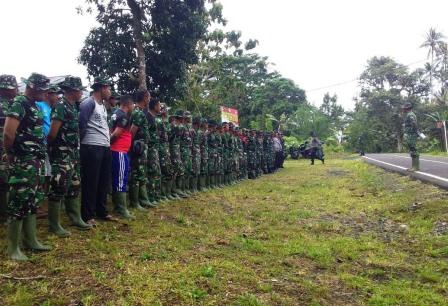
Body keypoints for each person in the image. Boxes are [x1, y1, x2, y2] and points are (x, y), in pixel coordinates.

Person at [4, 73, 52, 261]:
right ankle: (13, 248)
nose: (45, 93)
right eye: (42, 89)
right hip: (23, 161)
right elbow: (8, 133)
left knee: (32, 200)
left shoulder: (34, 105)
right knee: (18, 201)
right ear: (32, 87)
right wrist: (11, 154)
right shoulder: (19, 103)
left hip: (36, 161)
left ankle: (31, 240)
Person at [48, 76, 91, 237]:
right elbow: (52, 133)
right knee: (58, 187)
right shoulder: (60, 106)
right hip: (62, 154)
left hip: (73, 154)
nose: (81, 92)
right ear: (72, 91)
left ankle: (75, 218)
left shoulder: (72, 106)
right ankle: (54, 224)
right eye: (79, 89)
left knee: (74, 186)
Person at [79, 76, 115, 226]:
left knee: (103, 181)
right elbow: (81, 124)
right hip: (92, 147)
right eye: (108, 88)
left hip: (104, 147)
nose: (110, 91)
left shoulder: (102, 106)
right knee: (91, 182)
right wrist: (82, 145)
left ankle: (101, 211)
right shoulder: (89, 103)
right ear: (101, 88)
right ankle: (87, 215)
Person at [109, 95, 134, 219]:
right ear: (128, 104)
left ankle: (117, 206)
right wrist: (109, 143)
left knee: (117, 179)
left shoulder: (114, 113)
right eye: (132, 105)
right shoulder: (123, 116)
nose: (133, 107)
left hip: (117, 151)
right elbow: (115, 134)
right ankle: (121, 209)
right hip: (119, 151)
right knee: (120, 180)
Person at [129, 89, 152, 209]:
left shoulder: (139, 112)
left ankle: (143, 200)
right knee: (136, 174)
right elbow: (132, 132)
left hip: (141, 147)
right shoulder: (138, 112)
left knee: (141, 172)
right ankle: (135, 202)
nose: (149, 99)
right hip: (137, 148)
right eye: (148, 97)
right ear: (144, 98)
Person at [0, 74, 18, 222]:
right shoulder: (8, 105)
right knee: (6, 181)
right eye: (14, 87)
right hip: (5, 149)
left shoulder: (13, 103)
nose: (16, 90)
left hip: (6, 148)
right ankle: (6, 213)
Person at [145, 97, 162, 205]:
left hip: (155, 149)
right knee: (152, 172)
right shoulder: (148, 117)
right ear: (155, 106)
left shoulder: (154, 118)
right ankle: (150, 197)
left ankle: (155, 195)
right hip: (150, 149)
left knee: (156, 172)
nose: (160, 107)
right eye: (159, 105)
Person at [403, 102, 420, 171]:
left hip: (411, 134)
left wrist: (415, 132)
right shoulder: (409, 114)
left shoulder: (410, 115)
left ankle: (415, 167)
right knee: (412, 149)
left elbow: (414, 124)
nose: (403, 109)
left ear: (407, 108)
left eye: (404, 108)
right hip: (411, 134)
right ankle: (414, 166)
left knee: (413, 149)